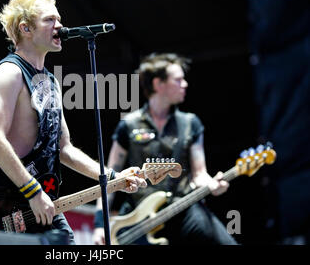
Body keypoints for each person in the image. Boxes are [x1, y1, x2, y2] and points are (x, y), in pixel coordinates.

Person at [0, 0, 147, 244]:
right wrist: (32, 191)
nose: (59, 26)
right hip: (2, 207)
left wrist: (114, 177)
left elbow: (64, 149)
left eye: (59, 19)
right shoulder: (9, 73)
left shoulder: (50, 82)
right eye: (49, 19)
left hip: (40, 201)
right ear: (25, 28)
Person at [93, 53, 237, 245]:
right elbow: (109, 179)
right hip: (139, 216)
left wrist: (213, 185)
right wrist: (99, 225)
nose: (184, 84)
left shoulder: (190, 123)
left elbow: (199, 174)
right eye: (178, 80)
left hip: (183, 208)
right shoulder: (129, 125)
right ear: (158, 84)